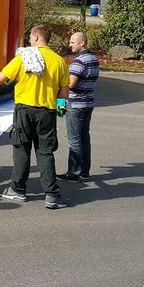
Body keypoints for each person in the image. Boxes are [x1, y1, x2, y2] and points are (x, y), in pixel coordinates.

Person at [0, 24, 69, 209]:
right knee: (45, 152)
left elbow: (0, 79)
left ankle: (18, 189)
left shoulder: (23, 57)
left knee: (21, 149)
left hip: (24, 110)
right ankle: (52, 195)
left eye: (30, 37)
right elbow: (65, 93)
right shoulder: (59, 61)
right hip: (47, 111)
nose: (29, 40)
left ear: (36, 37)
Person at [58, 32, 99, 182]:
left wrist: (59, 87)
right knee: (84, 137)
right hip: (89, 103)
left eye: (72, 42)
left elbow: (70, 84)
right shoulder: (94, 59)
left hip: (76, 104)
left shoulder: (79, 62)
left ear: (82, 43)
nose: (70, 45)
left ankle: (73, 172)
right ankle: (84, 170)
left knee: (74, 139)